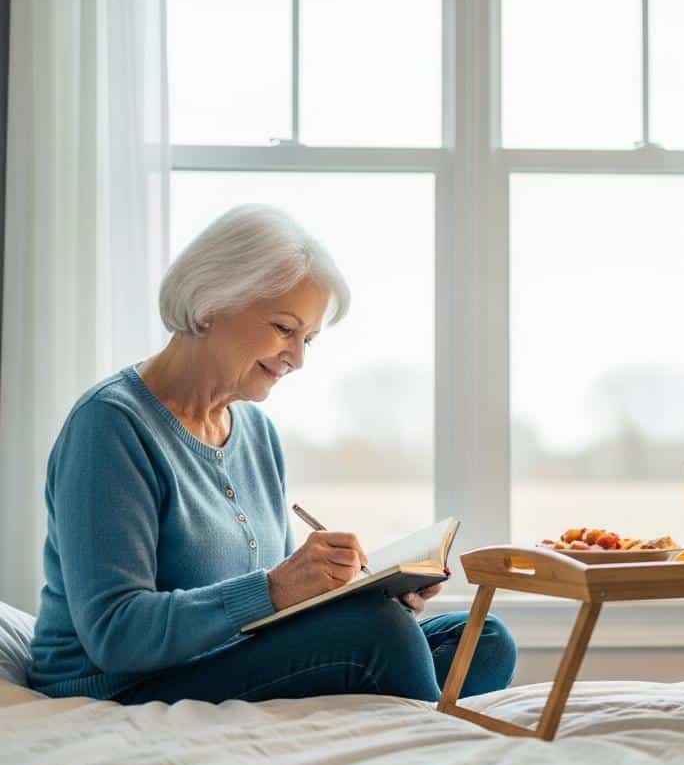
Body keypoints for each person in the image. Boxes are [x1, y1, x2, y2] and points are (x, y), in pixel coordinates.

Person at [26, 203, 516, 704]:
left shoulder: (256, 432)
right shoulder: (110, 424)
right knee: (380, 635)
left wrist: (362, 589)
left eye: (308, 339)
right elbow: (115, 634)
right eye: (285, 329)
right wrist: (280, 587)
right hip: (121, 684)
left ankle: (415, 711)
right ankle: (429, 750)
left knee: (484, 638)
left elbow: (273, 610)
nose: (298, 358)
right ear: (209, 302)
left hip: (224, 659)